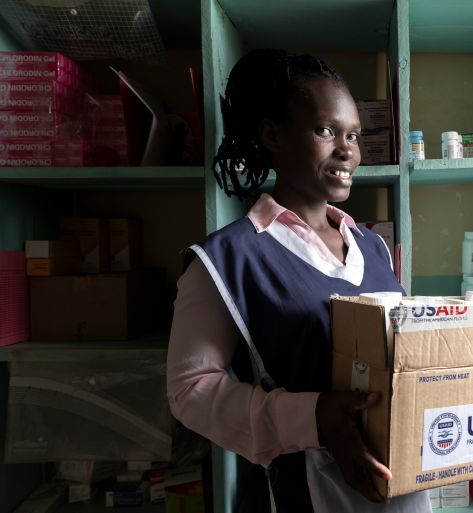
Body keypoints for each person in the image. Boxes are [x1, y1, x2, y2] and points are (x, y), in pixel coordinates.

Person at [166, 49, 431, 513]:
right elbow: (190, 392)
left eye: (354, 135)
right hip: (309, 492)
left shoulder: (372, 247)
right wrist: (314, 417)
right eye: (326, 131)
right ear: (273, 135)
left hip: (406, 485)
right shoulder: (227, 259)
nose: (348, 150)